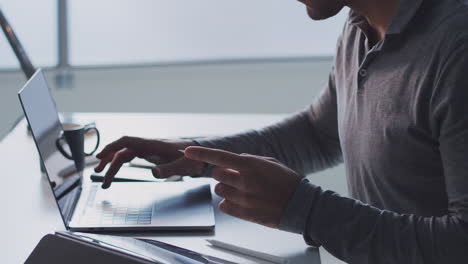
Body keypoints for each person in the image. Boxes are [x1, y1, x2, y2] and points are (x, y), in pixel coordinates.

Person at [94, 0, 468, 262]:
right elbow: (318, 134)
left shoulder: (457, 49)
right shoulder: (359, 27)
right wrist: (196, 155)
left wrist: (305, 209)